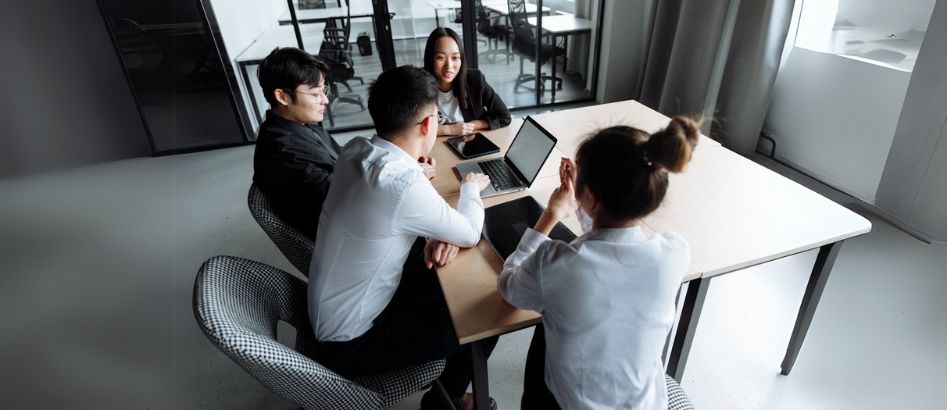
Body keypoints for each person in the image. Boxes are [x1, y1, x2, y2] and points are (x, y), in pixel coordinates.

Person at [308, 65, 500, 409]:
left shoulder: (355, 149)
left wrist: (437, 231)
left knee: (451, 279)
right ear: (428, 125)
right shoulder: (400, 185)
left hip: (336, 313)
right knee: (484, 318)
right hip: (354, 341)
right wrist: (470, 189)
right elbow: (470, 232)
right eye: (437, 117)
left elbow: (392, 209)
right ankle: (445, 403)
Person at [498, 117, 701, 409]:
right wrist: (587, 202)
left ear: (590, 194)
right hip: (645, 403)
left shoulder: (555, 263)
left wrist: (552, 214)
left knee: (546, 322)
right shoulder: (674, 253)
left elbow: (509, 287)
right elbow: (611, 244)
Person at [251, 47, 338, 241]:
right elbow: (347, 198)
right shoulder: (285, 154)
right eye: (315, 94)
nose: (325, 100)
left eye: (324, 90)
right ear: (282, 97)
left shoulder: (299, 122)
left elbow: (343, 160)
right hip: (342, 235)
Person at [423, 27, 512, 136]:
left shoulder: (474, 80)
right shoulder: (418, 84)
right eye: (440, 57)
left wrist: (472, 126)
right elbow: (407, 130)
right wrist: (449, 130)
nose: (449, 66)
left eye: (455, 58)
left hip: (467, 144)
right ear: (430, 58)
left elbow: (504, 116)